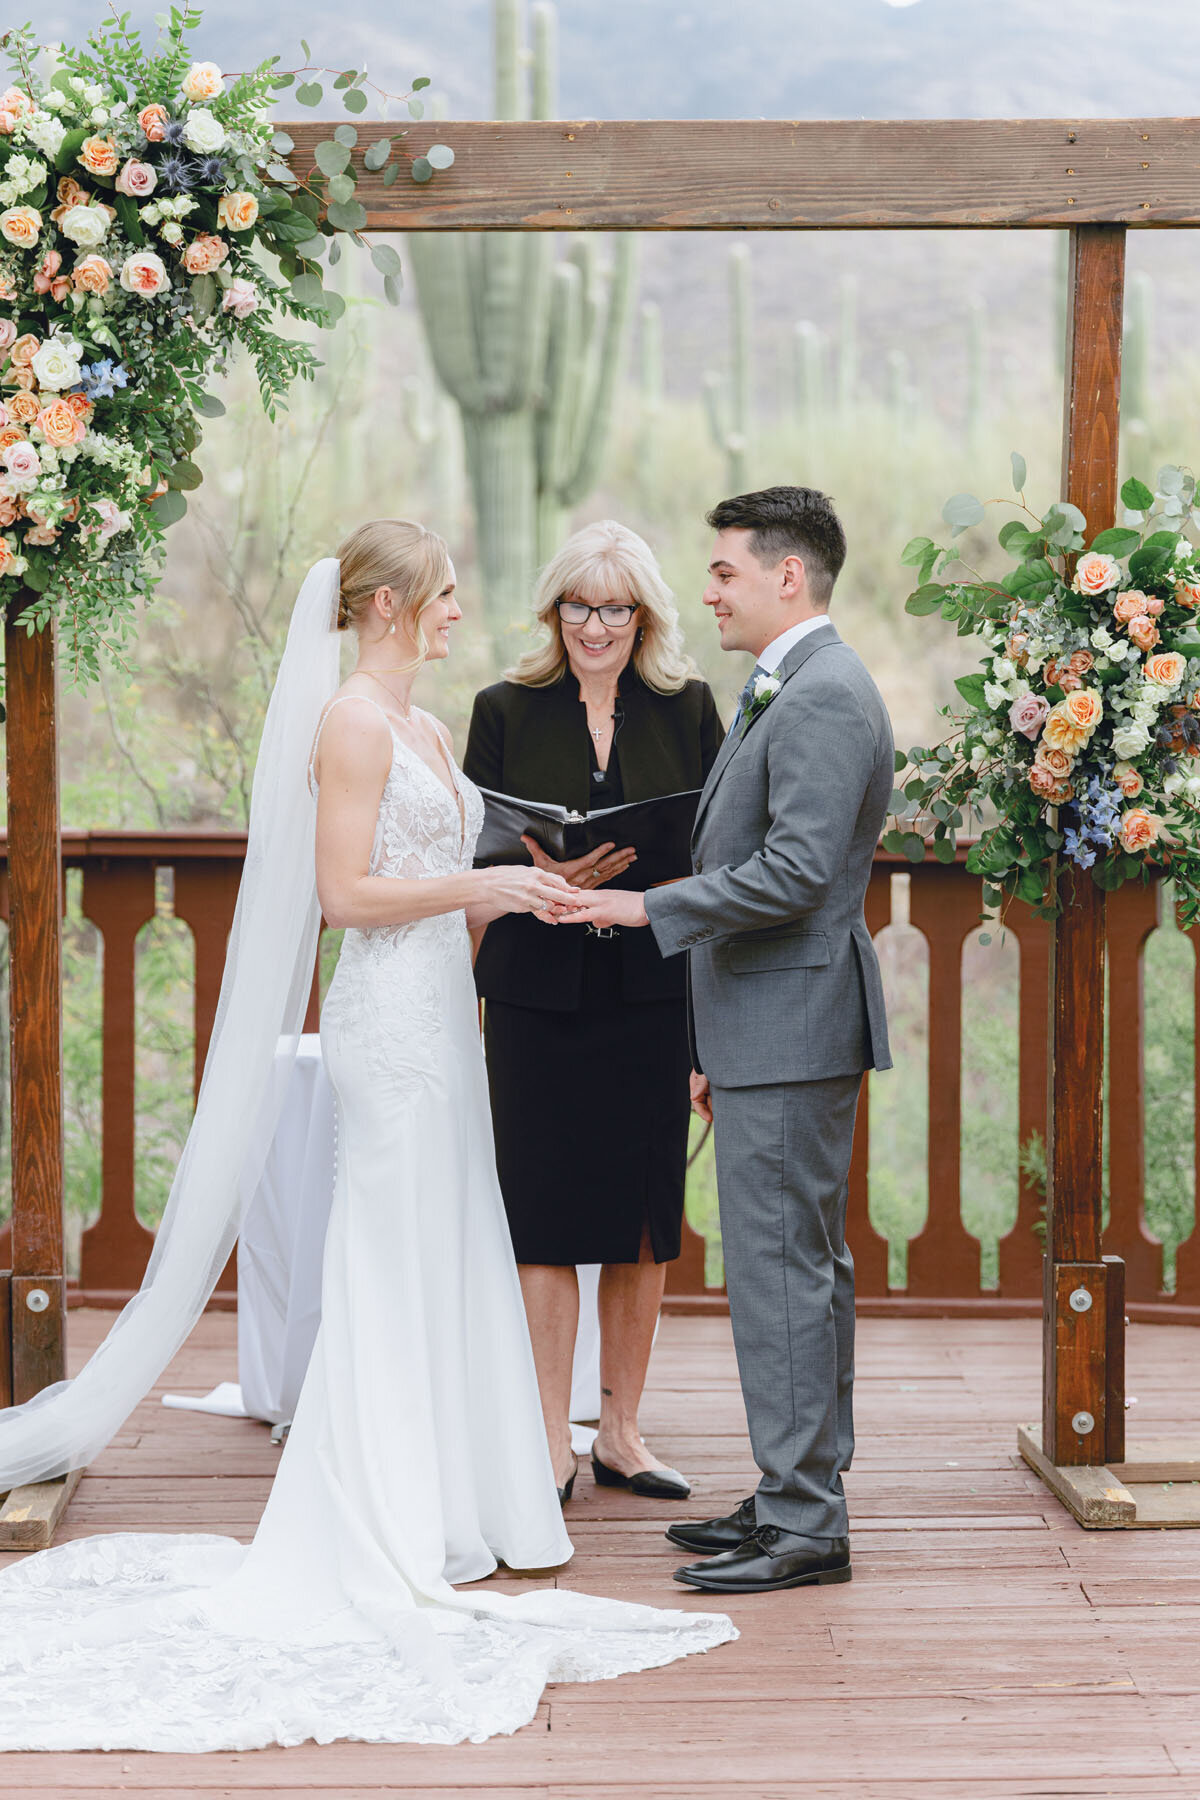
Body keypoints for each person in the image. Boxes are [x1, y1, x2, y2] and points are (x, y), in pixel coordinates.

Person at [0, 520, 734, 1752]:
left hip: (448, 1016)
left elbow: (472, 859)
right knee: (390, 1253)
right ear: (388, 605)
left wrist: (536, 887)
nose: (459, 613)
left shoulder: (431, 732)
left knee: (456, 1241)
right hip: (389, 1022)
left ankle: (465, 1493)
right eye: (444, 595)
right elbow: (346, 897)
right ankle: (383, 1508)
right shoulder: (347, 723)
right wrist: (486, 889)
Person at [565, 487, 893, 1597]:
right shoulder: (791, 686)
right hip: (765, 1026)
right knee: (797, 1272)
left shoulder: (824, 697)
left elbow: (800, 873)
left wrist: (649, 910)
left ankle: (805, 1522)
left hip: (791, 1024)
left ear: (786, 576)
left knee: (782, 1275)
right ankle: (797, 1492)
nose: (707, 590)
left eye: (723, 572)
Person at [464, 520, 723, 1504]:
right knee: (543, 1220)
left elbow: (712, 870)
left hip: (652, 998)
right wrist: (543, 873)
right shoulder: (503, 709)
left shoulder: (691, 709)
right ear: (554, 611)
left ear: (644, 616)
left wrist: (705, 1040)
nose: (596, 627)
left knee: (645, 1226)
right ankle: (549, 1439)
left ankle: (621, 1431)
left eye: (616, 608)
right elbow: (479, 859)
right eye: (579, 606)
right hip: (538, 996)